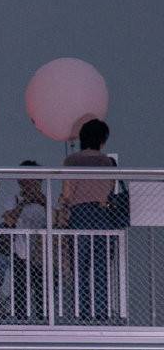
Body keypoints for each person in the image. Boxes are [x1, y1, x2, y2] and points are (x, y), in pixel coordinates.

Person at [56, 118, 117, 321]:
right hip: (102, 215)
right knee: (101, 266)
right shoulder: (107, 162)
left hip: (80, 214)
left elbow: (67, 193)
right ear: (102, 140)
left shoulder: (72, 161)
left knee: (79, 266)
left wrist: (63, 206)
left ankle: (82, 312)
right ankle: (101, 312)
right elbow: (108, 190)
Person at [0, 161, 46, 319]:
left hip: (41, 252)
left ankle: (43, 317)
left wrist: (42, 201)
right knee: (20, 285)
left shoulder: (46, 201)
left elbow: (55, 220)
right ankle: (21, 317)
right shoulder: (13, 199)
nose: (30, 183)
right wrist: (24, 202)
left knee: (41, 286)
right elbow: (9, 220)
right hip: (20, 250)